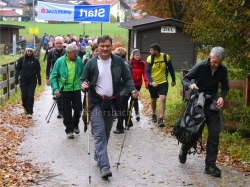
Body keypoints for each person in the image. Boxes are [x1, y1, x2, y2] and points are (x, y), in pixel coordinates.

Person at [80, 35, 138, 179]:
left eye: (107, 46)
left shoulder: (118, 62)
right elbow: (83, 79)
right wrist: (83, 85)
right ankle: (105, 167)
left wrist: (132, 90)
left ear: (112, 46)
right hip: (96, 102)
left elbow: (128, 78)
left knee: (106, 133)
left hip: (112, 102)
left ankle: (98, 154)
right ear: (97, 47)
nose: (105, 49)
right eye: (102, 46)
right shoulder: (91, 63)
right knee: (99, 133)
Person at [179, 46, 229, 178]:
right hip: (198, 103)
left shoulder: (222, 70)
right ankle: (184, 149)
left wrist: (221, 97)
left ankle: (210, 165)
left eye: (219, 63)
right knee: (193, 132)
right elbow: (185, 78)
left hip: (212, 105)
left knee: (214, 134)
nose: (216, 64)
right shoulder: (200, 66)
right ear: (210, 57)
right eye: (214, 62)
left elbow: (225, 87)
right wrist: (191, 85)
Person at [50, 43, 84, 139]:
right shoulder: (60, 61)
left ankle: (75, 123)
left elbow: (83, 73)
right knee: (67, 110)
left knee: (78, 108)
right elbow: (53, 76)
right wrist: (56, 89)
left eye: (76, 53)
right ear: (68, 53)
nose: (76, 55)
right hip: (64, 89)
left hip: (76, 88)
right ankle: (69, 129)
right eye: (74, 53)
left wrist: (83, 83)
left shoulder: (79, 60)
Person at [146, 43, 176, 127]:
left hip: (163, 82)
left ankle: (160, 118)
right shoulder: (149, 58)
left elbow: (170, 68)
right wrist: (152, 81)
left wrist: (173, 79)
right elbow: (147, 71)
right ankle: (154, 113)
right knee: (153, 99)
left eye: (151, 50)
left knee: (163, 98)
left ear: (156, 51)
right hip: (153, 83)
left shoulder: (166, 57)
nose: (150, 51)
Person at [15, 45, 41, 118]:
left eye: (30, 51)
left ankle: (30, 111)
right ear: (26, 51)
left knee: (30, 95)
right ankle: (25, 107)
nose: (29, 53)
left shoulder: (35, 60)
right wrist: (16, 77)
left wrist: (39, 80)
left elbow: (38, 70)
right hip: (23, 80)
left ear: (33, 52)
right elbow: (18, 69)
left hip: (32, 80)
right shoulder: (22, 59)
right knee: (24, 96)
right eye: (28, 51)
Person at [113, 47, 133, 134]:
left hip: (124, 91)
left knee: (120, 108)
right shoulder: (123, 63)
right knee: (123, 107)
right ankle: (128, 122)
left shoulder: (125, 64)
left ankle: (120, 127)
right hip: (122, 90)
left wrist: (115, 80)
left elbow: (126, 78)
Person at [46, 36, 66, 118]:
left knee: (65, 93)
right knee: (58, 93)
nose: (59, 45)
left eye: (60, 43)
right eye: (57, 43)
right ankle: (60, 111)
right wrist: (47, 78)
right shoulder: (51, 52)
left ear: (63, 44)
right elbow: (48, 66)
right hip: (55, 75)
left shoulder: (66, 52)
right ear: (54, 44)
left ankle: (66, 109)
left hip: (65, 75)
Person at [129, 49, 148, 121]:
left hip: (138, 83)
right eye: (136, 55)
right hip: (131, 83)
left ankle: (130, 111)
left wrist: (146, 83)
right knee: (134, 97)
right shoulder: (130, 63)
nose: (138, 56)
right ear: (133, 56)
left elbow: (145, 73)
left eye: (138, 55)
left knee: (134, 97)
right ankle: (136, 112)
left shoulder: (142, 63)